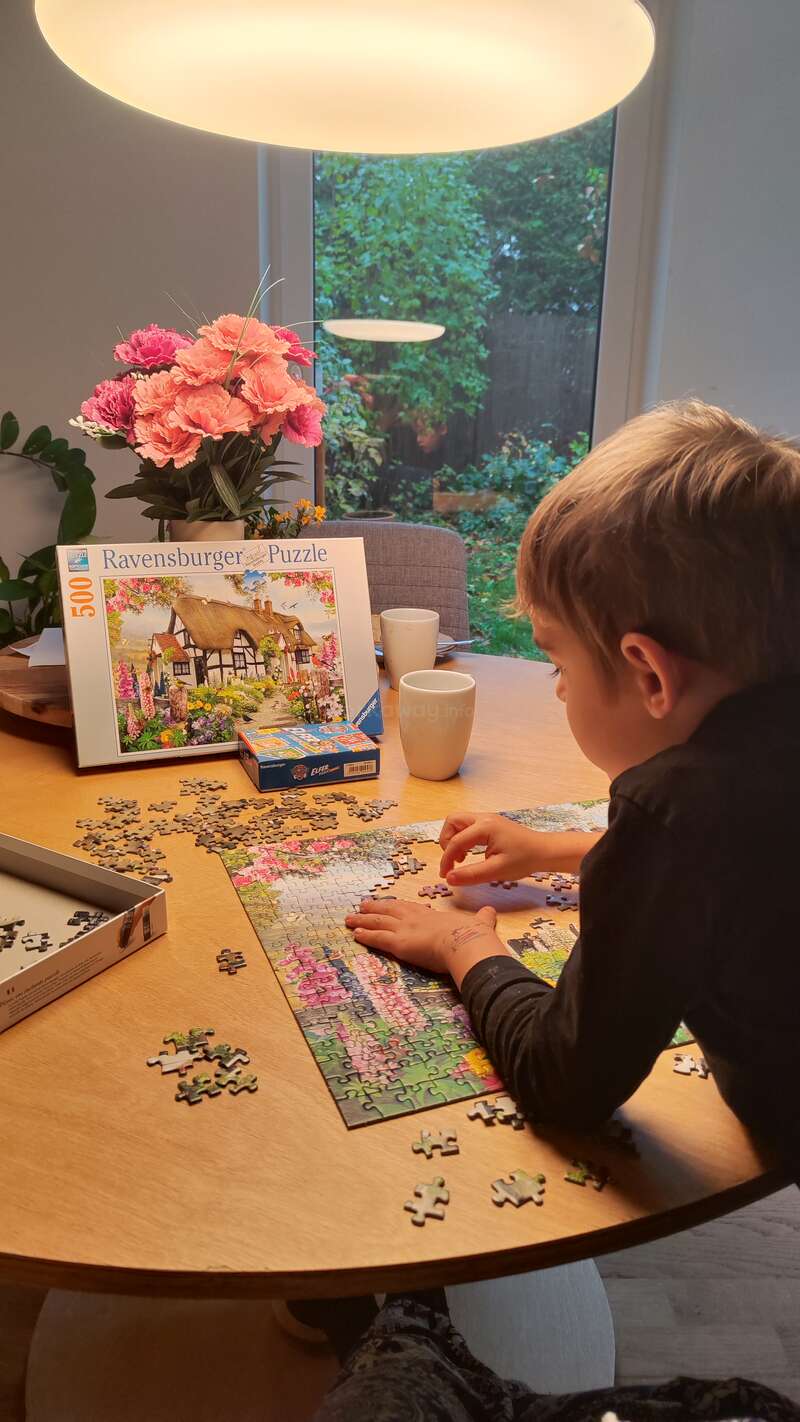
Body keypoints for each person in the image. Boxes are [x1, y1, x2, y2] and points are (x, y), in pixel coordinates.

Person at [345, 399, 800, 1171]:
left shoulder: (673, 807)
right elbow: (743, 858)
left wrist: (465, 946)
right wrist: (554, 849)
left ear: (649, 675)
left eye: (559, 662)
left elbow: (564, 1080)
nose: (557, 688)